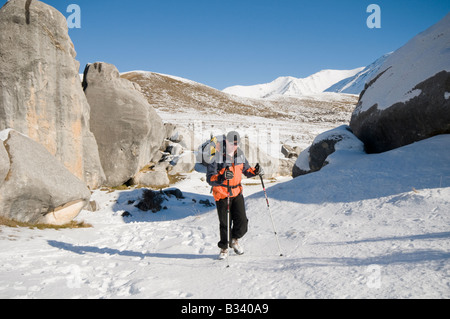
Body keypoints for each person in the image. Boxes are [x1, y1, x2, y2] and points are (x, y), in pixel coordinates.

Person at [206, 131, 263, 260]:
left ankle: (234, 240)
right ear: (226, 142)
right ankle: (224, 248)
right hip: (222, 193)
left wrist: (255, 171)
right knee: (225, 223)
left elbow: (246, 170)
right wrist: (221, 176)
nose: (235, 146)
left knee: (242, 222)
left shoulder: (240, 155)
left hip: (237, 192)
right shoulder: (216, 156)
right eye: (232, 143)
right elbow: (210, 178)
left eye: (237, 144)